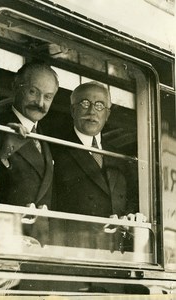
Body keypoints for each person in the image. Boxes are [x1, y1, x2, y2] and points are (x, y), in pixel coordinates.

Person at [51, 81, 139, 249]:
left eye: (99, 106)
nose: (92, 111)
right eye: (85, 104)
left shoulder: (119, 156)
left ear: (107, 114)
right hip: (76, 248)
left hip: (118, 251)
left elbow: (132, 199)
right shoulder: (56, 148)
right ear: (72, 110)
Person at [0, 62, 59, 244]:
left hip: (38, 242)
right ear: (15, 86)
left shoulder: (45, 134)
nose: (40, 103)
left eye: (48, 97)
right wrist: (4, 152)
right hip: (5, 240)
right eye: (33, 92)